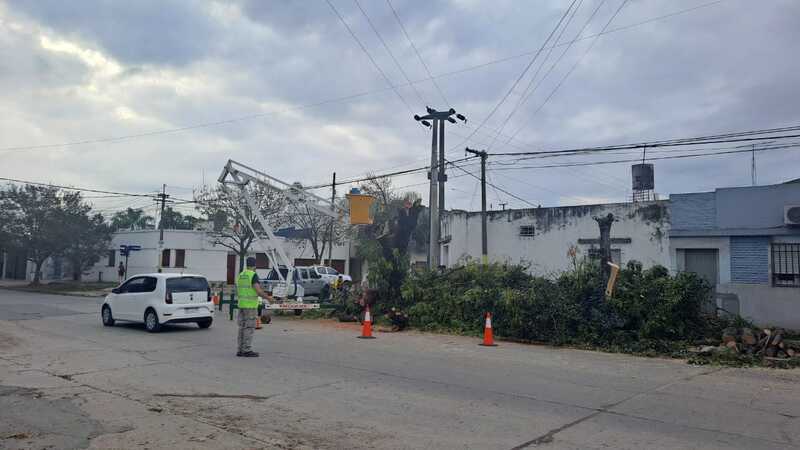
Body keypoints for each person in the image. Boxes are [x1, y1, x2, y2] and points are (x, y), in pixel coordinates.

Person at [236, 257, 272, 357]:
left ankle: (240, 350)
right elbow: (258, 290)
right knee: (249, 328)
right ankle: (247, 350)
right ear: (255, 265)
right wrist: (268, 298)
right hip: (250, 306)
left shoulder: (241, 275)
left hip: (241, 305)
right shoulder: (253, 275)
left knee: (242, 328)